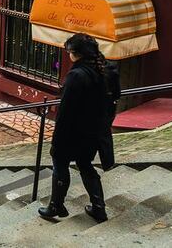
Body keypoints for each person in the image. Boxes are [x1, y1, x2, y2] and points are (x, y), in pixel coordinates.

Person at [39, 33, 113, 223]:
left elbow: (65, 113)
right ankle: (99, 207)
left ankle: (56, 205)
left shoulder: (76, 76)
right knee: (85, 165)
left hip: (73, 132)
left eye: (69, 51)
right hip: (93, 131)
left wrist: (57, 141)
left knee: (60, 164)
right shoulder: (104, 70)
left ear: (76, 53)